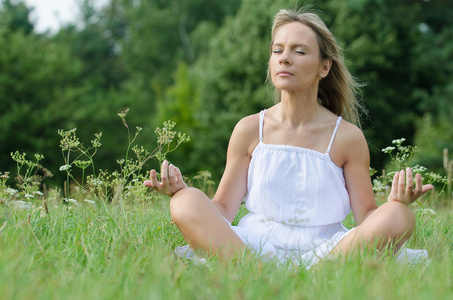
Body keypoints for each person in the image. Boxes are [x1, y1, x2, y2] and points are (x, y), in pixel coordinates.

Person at [143, 8, 433, 268]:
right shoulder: (249, 128)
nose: (284, 58)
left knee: (400, 216)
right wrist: (179, 190)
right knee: (184, 202)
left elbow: (367, 216)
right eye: (277, 50)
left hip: (325, 252)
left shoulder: (347, 137)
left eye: (299, 51)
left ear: (324, 67)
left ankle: (320, 276)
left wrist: (398, 201)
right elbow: (222, 210)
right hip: (252, 247)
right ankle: (253, 273)